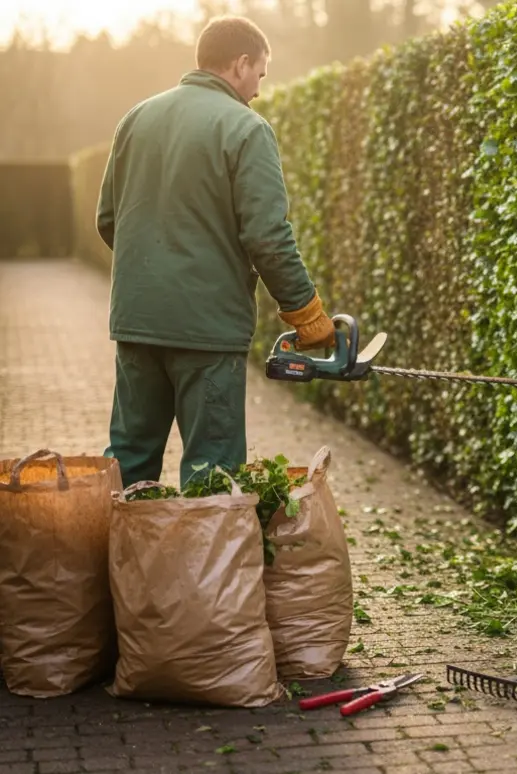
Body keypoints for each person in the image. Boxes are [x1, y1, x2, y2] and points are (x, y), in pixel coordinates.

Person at [95, 15, 335, 487]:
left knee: (128, 461)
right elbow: (268, 236)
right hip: (207, 332)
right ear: (241, 63)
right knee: (212, 473)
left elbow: (108, 220)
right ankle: (205, 564)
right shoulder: (247, 128)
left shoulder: (136, 119)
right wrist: (307, 315)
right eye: (260, 75)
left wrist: (152, 270)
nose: (260, 90)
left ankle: (116, 559)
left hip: (137, 324)